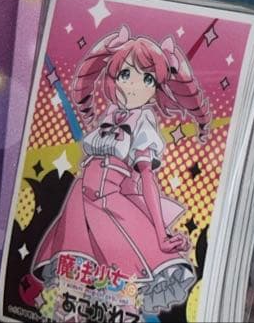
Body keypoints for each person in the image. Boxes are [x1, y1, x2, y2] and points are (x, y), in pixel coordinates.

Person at [32, 27, 209, 314]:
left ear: (156, 87)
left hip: (111, 204)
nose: (132, 85)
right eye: (125, 74)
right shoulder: (111, 113)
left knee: (119, 277)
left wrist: (160, 232)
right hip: (79, 201)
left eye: (147, 79)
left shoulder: (144, 121)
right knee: (72, 274)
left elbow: (148, 178)